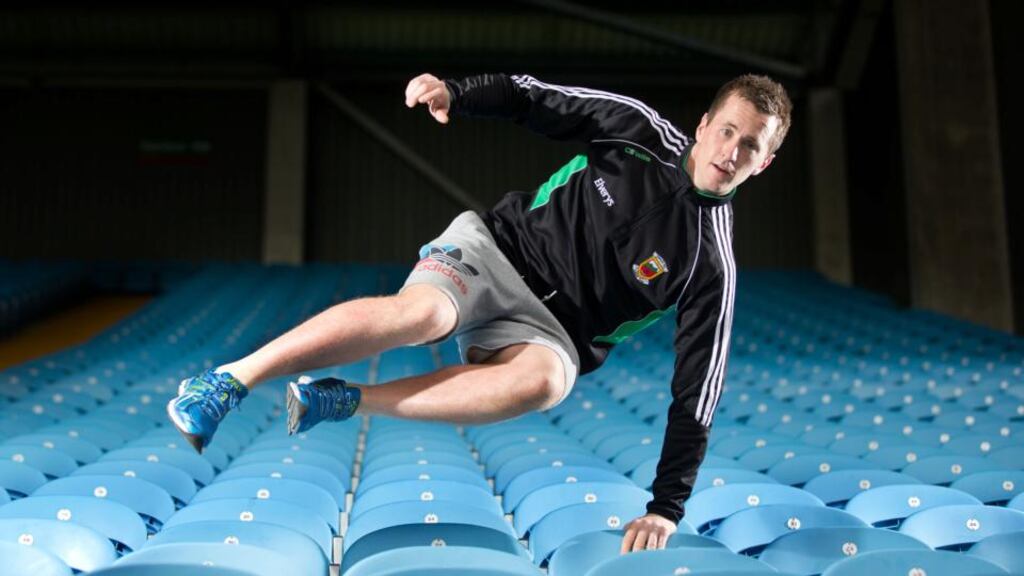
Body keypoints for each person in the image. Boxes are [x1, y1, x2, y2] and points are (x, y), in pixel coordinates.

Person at [167, 71, 791, 553]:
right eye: (728, 131)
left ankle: (346, 399)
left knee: (548, 382)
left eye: (750, 147)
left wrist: (666, 507)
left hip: (550, 333)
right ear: (707, 123)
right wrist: (458, 94)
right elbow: (534, 98)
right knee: (425, 318)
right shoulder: (637, 130)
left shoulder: (713, 266)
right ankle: (230, 379)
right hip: (495, 250)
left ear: (764, 164)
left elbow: (695, 394)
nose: (731, 152)